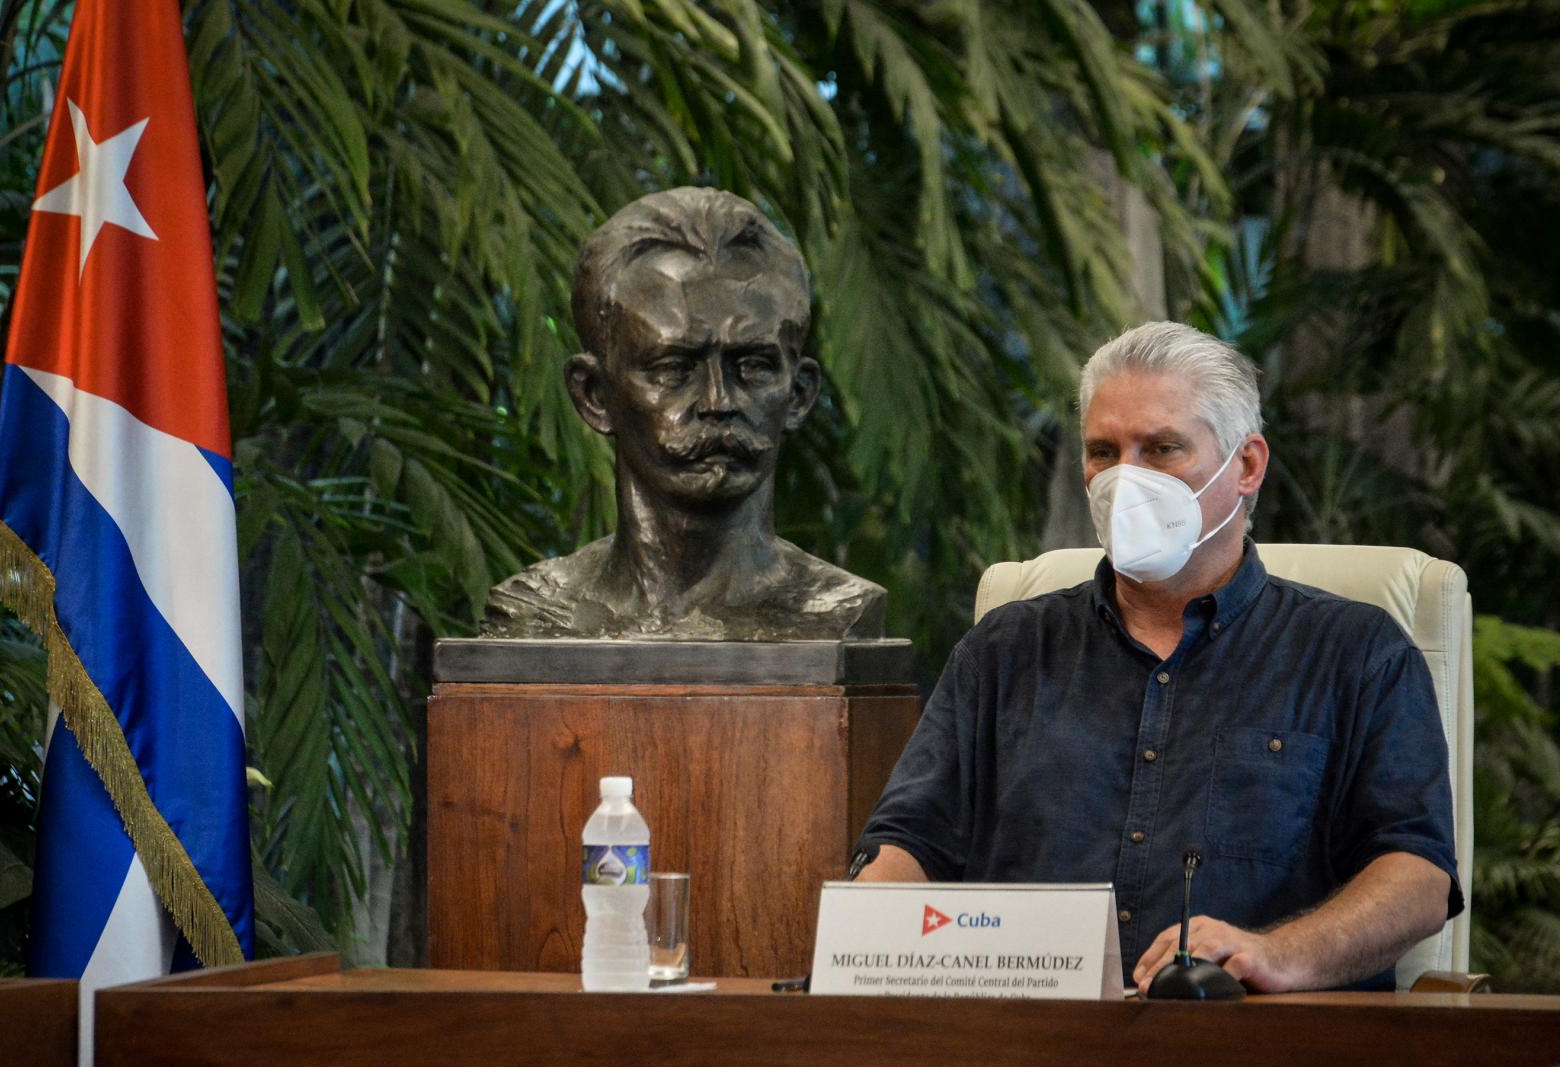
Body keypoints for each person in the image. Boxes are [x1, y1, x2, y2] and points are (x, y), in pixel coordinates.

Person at [852, 321, 1461, 993]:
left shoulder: (1357, 652)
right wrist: (865, 944)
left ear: (1247, 466)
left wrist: (1279, 953)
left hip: (1259, 1042)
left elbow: (1418, 878)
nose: (1125, 479)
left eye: (1162, 448)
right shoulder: (1004, 651)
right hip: (1035, 1037)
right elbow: (906, 845)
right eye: (1103, 451)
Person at [482, 187, 884, 640]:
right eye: (674, 369)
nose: (718, 401)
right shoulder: (537, 617)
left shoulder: (837, 614)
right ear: (594, 395)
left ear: (799, 394)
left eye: (752, 367)